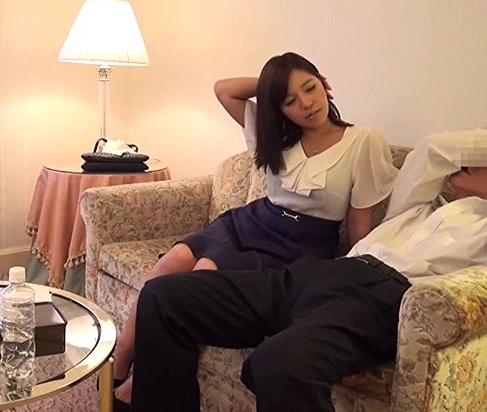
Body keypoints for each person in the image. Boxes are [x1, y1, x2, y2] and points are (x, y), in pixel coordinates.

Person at [111, 52, 398, 406]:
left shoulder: (364, 142)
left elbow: (359, 223)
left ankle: (140, 381)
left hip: (301, 244)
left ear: (325, 85)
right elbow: (224, 90)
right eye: (290, 100)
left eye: (310, 88)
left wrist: (352, 280)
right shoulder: (277, 134)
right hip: (254, 221)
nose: (306, 104)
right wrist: (272, 86)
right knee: (167, 267)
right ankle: (120, 364)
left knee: (202, 277)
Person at [130, 128, 487, 412]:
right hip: (323, 274)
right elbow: (435, 149)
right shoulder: (425, 206)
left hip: (382, 298)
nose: (469, 163)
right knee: (164, 296)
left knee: (279, 365)